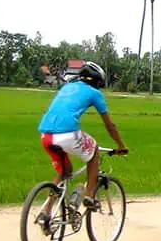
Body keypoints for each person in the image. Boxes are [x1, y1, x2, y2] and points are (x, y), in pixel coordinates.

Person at [37, 60, 128, 217]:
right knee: (94, 154)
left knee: (64, 172)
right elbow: (110, 125)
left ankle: (46, 211)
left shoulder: (66, 87)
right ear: (98, 81)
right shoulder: (95, 94)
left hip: (45, 135)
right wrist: (121, 145)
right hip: (67, 134)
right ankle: (89, 196)